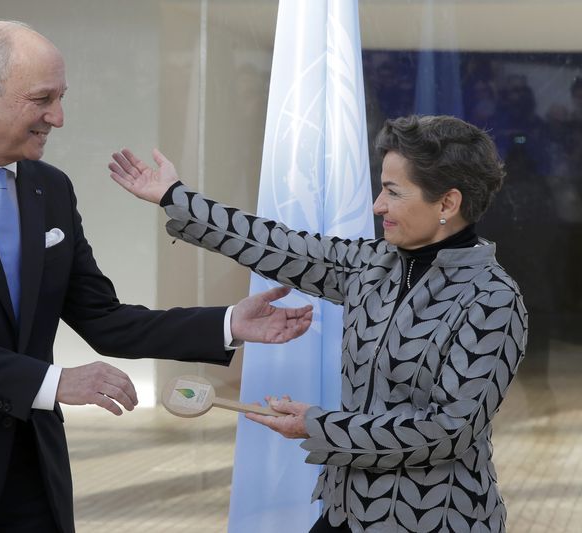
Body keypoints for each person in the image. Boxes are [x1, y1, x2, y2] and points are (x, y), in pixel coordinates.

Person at [0, 21, 314, 533]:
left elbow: (102, 317)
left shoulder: (51, 189)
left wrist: (227, 325)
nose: (57, 118)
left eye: (61, 98)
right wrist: (57, 381)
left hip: (29, 474)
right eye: (42, 99)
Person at [109, 115, 527, 532]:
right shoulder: (373, 262)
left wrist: (318, 425)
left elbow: (447, 430)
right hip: (344, 510)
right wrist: (173, 197)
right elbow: (277, 245)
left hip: (438, 520)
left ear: (448, 204)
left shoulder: (492, 299)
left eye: (393, 192)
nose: (378, 205)